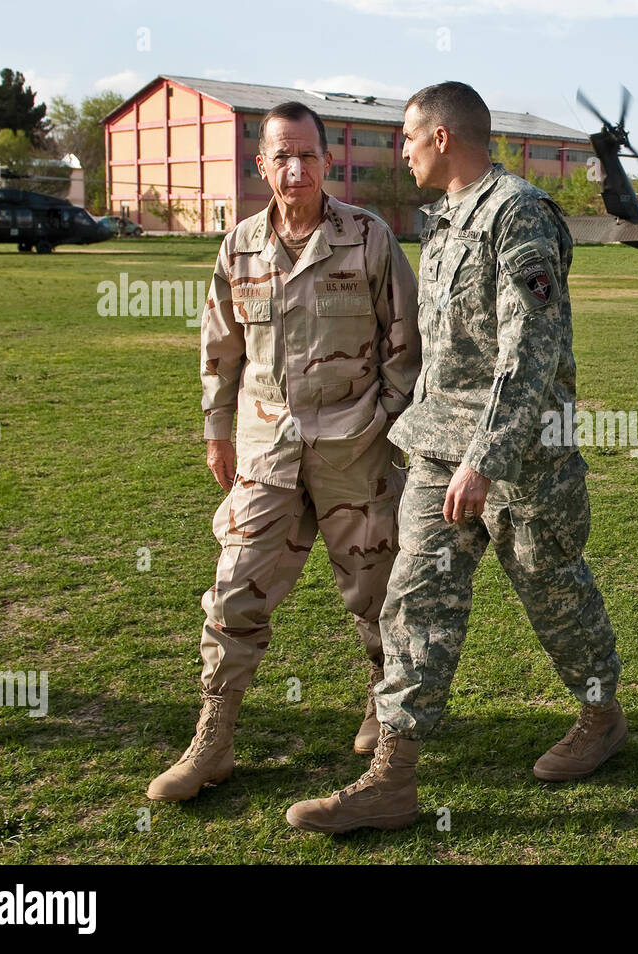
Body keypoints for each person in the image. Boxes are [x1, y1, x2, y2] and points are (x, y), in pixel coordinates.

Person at [286, 81, 624, 833]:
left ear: (441, 137)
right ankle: (392, 776)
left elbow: (531, 348)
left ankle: (601, 716)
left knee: (553, 593)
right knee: (413, 598)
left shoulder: (517, 212)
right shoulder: (441, 226)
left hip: (521, 456)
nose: (399, 153)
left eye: (407, 138)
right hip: (439, 449)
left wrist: (488, 458)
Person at [147, 101, 421, 802]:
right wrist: (216, 428)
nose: (295, 168)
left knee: (376, 592)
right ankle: (214, 738)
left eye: (307, 155)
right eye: (281, 156)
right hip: (267, 451)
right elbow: (220, 347)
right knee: (235, 588)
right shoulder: (236, 246)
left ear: (325, 161)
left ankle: (380, 708)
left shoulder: (368, 236)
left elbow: (404, 341)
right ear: (261, 165)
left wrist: (386, 423)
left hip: (354, 447)